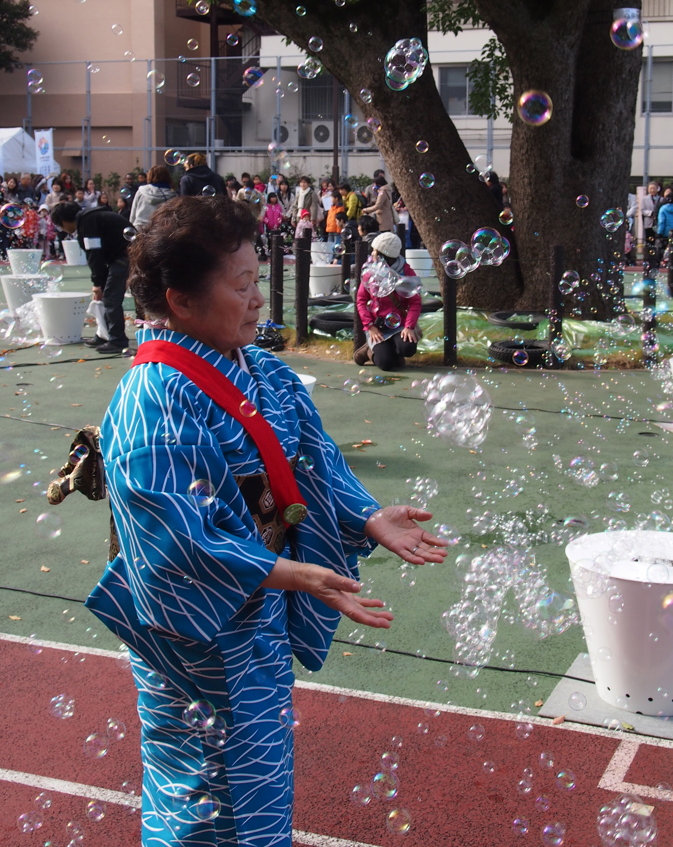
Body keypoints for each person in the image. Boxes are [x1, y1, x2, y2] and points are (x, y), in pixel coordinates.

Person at [83, 195, 446, 847]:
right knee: (204, 797)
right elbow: (174, 538)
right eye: (242, 285)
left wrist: (367, 519)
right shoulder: (152, 399)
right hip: (199, 640)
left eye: (259, 281)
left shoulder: (266, 372)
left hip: (256, 621)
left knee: (257, 783)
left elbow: (314, 465)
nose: (258, 300)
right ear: (181, 302)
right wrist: (290, 572)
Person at [50, 201, 130, 353]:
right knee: (107, 297)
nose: (63, 229)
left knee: (111, 298)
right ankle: (105, 334)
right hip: (121, 255)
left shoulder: (87, 222)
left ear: (65, 220)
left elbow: (94, 254)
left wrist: (97, 284)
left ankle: (117, 340)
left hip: (125, 257)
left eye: (61, 225)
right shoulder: (91, 218)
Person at [355, 232, 422, 371]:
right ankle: (369, 351)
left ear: (385, 257)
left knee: (408, 348)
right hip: (377, 326)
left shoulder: (406, 273)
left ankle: (394, 349)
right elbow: (361, 300)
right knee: (386, 364)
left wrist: (409, 327)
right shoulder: (371, 271)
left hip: (399, 325)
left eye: (376, 252)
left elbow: (415, 302)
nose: (372, 254)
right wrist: (370, 326)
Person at [129, 164, 178, 230]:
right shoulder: (173, 195)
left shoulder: (142, 191)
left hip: (141, 229)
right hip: (161, 230)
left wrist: (131, 228)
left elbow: (133, 212)